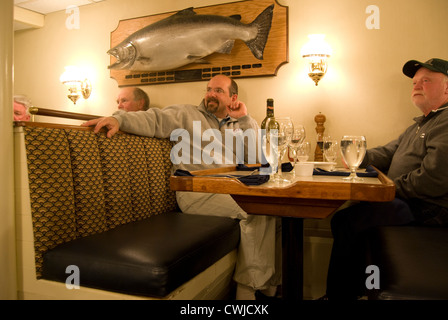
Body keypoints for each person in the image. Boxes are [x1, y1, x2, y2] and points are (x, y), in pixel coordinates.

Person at [82, 75, 281, 300]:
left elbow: (258, 161)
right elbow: (155, 120)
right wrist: (120, 120)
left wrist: (244, 119)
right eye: (208, 89)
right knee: (257, 210)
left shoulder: (240, 123)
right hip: (196, 193)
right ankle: (247, 291)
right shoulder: (186, 114)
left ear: (233, 98)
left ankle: (269, 286)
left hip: (230, 190)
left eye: (218, 90)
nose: (210, 94)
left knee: (274, 210)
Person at [324, 58, 448, 300]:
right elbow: (389, 152)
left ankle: (338, 296)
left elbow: (434, 178)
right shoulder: (419, 125)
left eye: (426, 81)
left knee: (346, 221)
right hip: (408, 201)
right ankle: (352, 292)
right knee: (350, 216)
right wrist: (357, 155)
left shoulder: (445, 121)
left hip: (429, 207)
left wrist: (388, 189)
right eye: (414, 82)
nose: (416, 85)